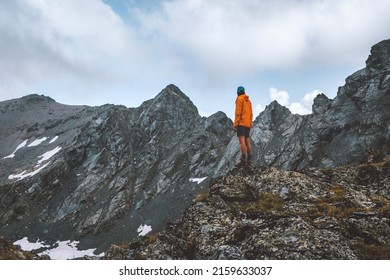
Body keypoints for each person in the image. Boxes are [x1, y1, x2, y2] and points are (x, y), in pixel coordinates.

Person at [233, 86, 253, 167]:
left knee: (242, 141)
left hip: (241, 123)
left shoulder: (239, 99)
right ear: (244, 91)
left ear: (238, 92)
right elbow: (251, 114)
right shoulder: (249, 101)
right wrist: (250, 123)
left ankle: (243, 160)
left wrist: (235, 124)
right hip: (247, 124)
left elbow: (238, 113)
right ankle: (249, 160)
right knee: (247, 141)